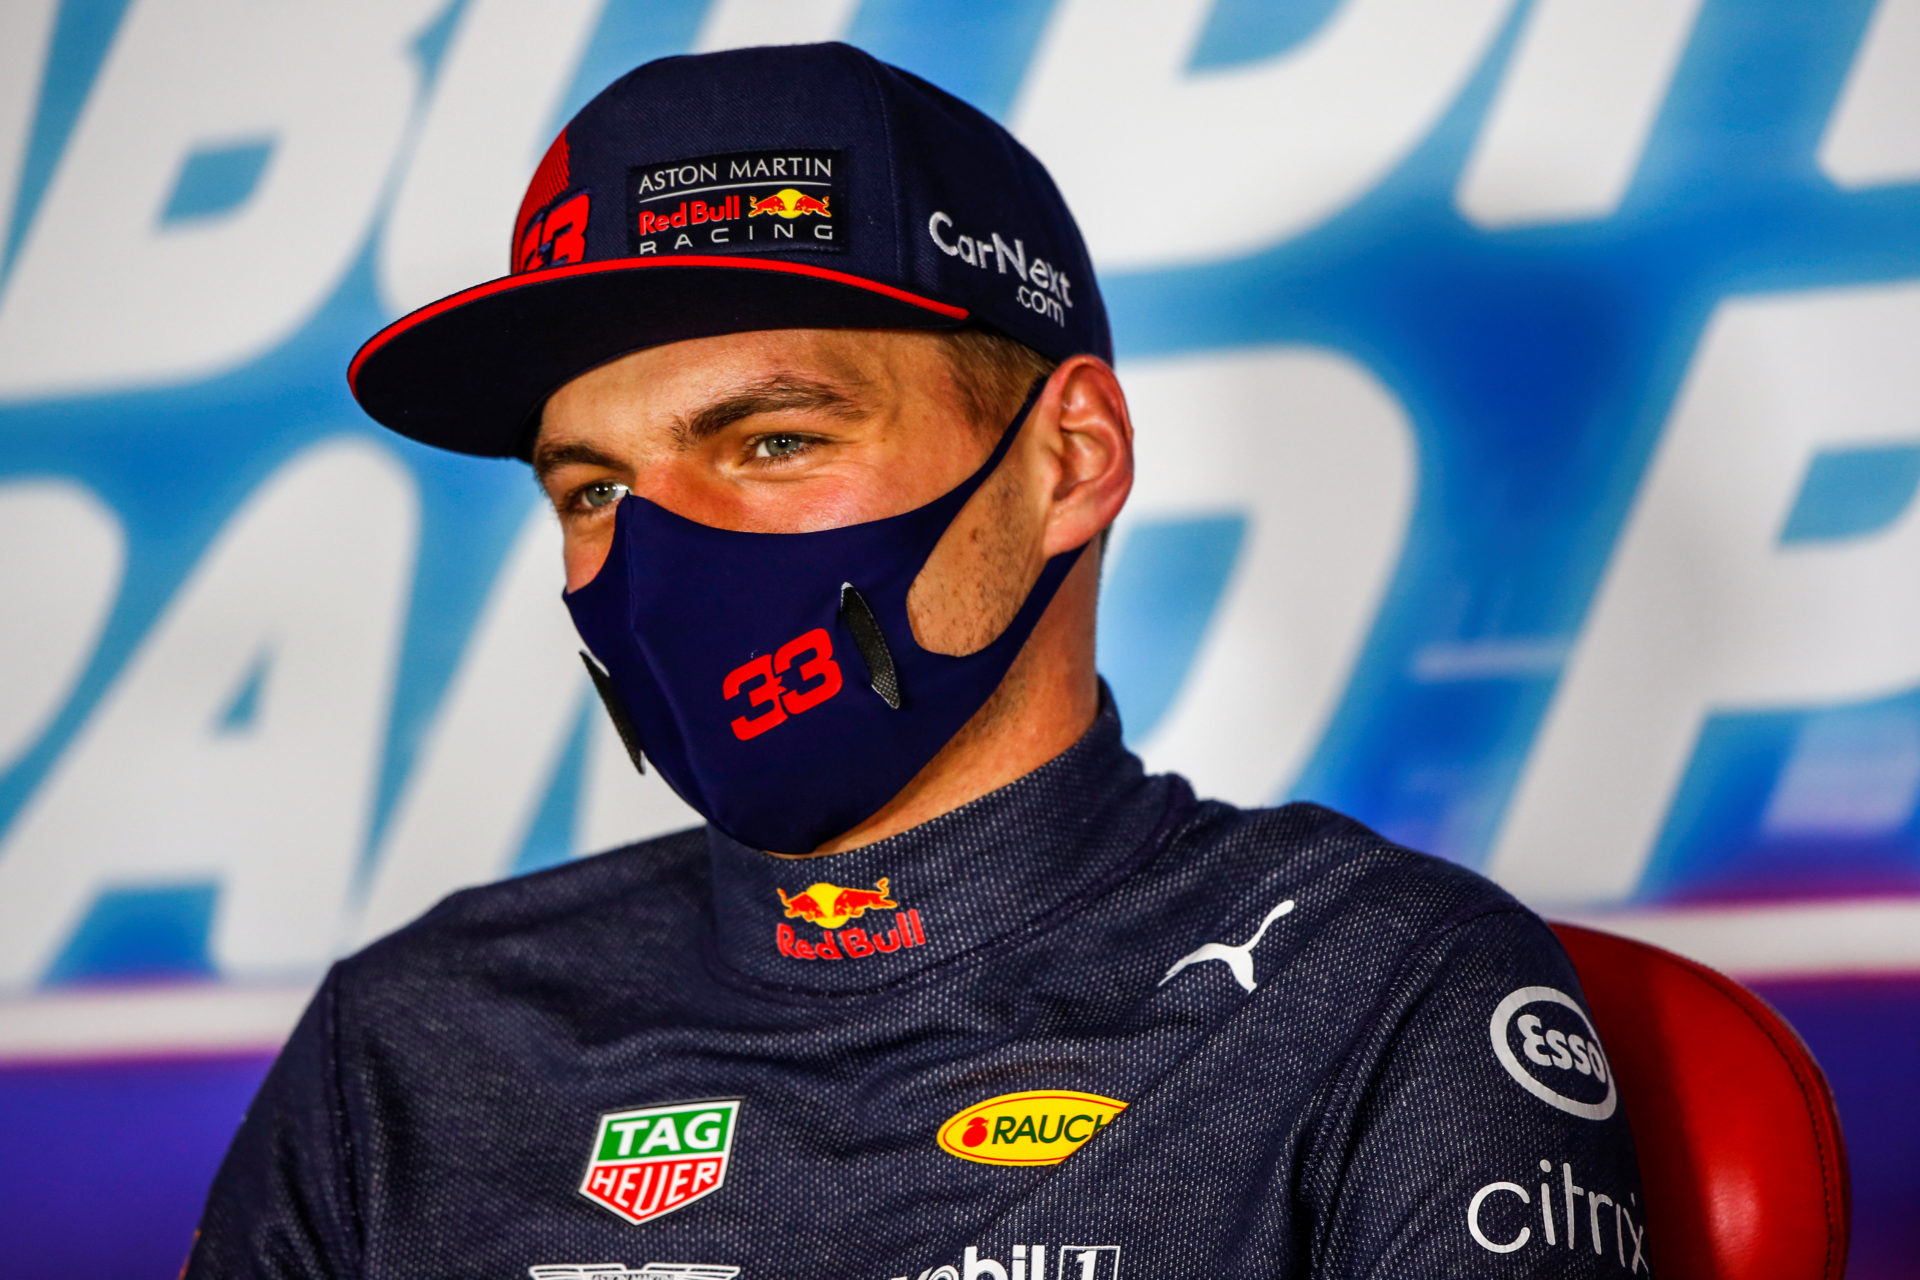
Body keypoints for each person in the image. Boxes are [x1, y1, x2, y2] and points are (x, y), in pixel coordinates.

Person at [188, 42, 1647, 1280]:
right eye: (592, 490)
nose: (657, 555)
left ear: (1068, 461)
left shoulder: (1374, 989)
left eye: (775, 441)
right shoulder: (412, 1037)